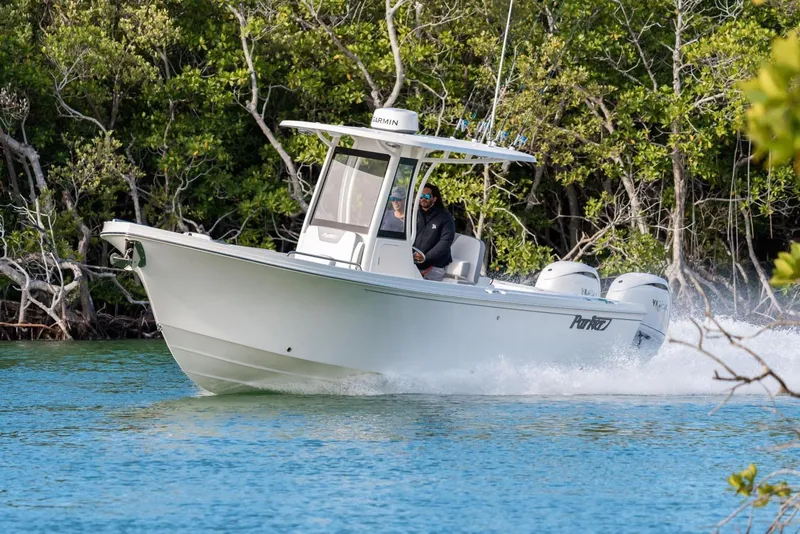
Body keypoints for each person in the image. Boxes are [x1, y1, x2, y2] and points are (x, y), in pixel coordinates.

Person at [413, 183, 455, 281]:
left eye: (427, 196)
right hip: (413, 263)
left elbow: (445, 242)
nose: (423, 198)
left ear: (434, 199)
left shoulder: (445, 217)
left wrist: (425, 258)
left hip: (434, 267)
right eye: (421, 196)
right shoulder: (414, 214)